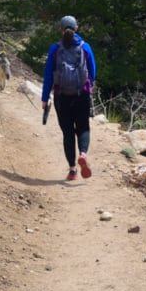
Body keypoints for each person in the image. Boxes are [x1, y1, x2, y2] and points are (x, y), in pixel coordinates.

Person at [42, 15, 97, 181]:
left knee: (67, 133)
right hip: (82, 94)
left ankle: (73, 170)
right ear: (76, 29)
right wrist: (89, 87)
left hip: (61, 96)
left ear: (61, 29)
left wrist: (45, 98)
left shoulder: (55, 48)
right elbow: (92, 72)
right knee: (83, 128)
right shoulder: (85, 47)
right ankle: (83, 154)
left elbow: (48, 76)